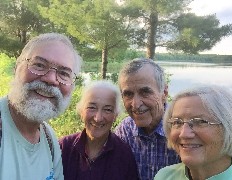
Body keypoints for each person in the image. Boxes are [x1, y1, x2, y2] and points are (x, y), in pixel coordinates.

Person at [0, 33, 81, 180]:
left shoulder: (49, 138)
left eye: (64, 73)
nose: (50, 79)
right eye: (39, 65)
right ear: (16, 68)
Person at [154, 85, 232, 180]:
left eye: (200, 121)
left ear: (229, 129)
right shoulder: (165, 176)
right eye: (177, 122)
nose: (184, 134)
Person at [59, 80, 139, 180]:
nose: (98, 118)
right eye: (92, 107)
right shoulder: (63, 147)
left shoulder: (124, 155)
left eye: (107, 110)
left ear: (115, 115)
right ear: (81, 111)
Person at [115, 58, 180, 180]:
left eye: (145, 92)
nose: (136, 104)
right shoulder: (125, 130)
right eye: (128, 94)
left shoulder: (183, 128)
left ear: (164, 93)